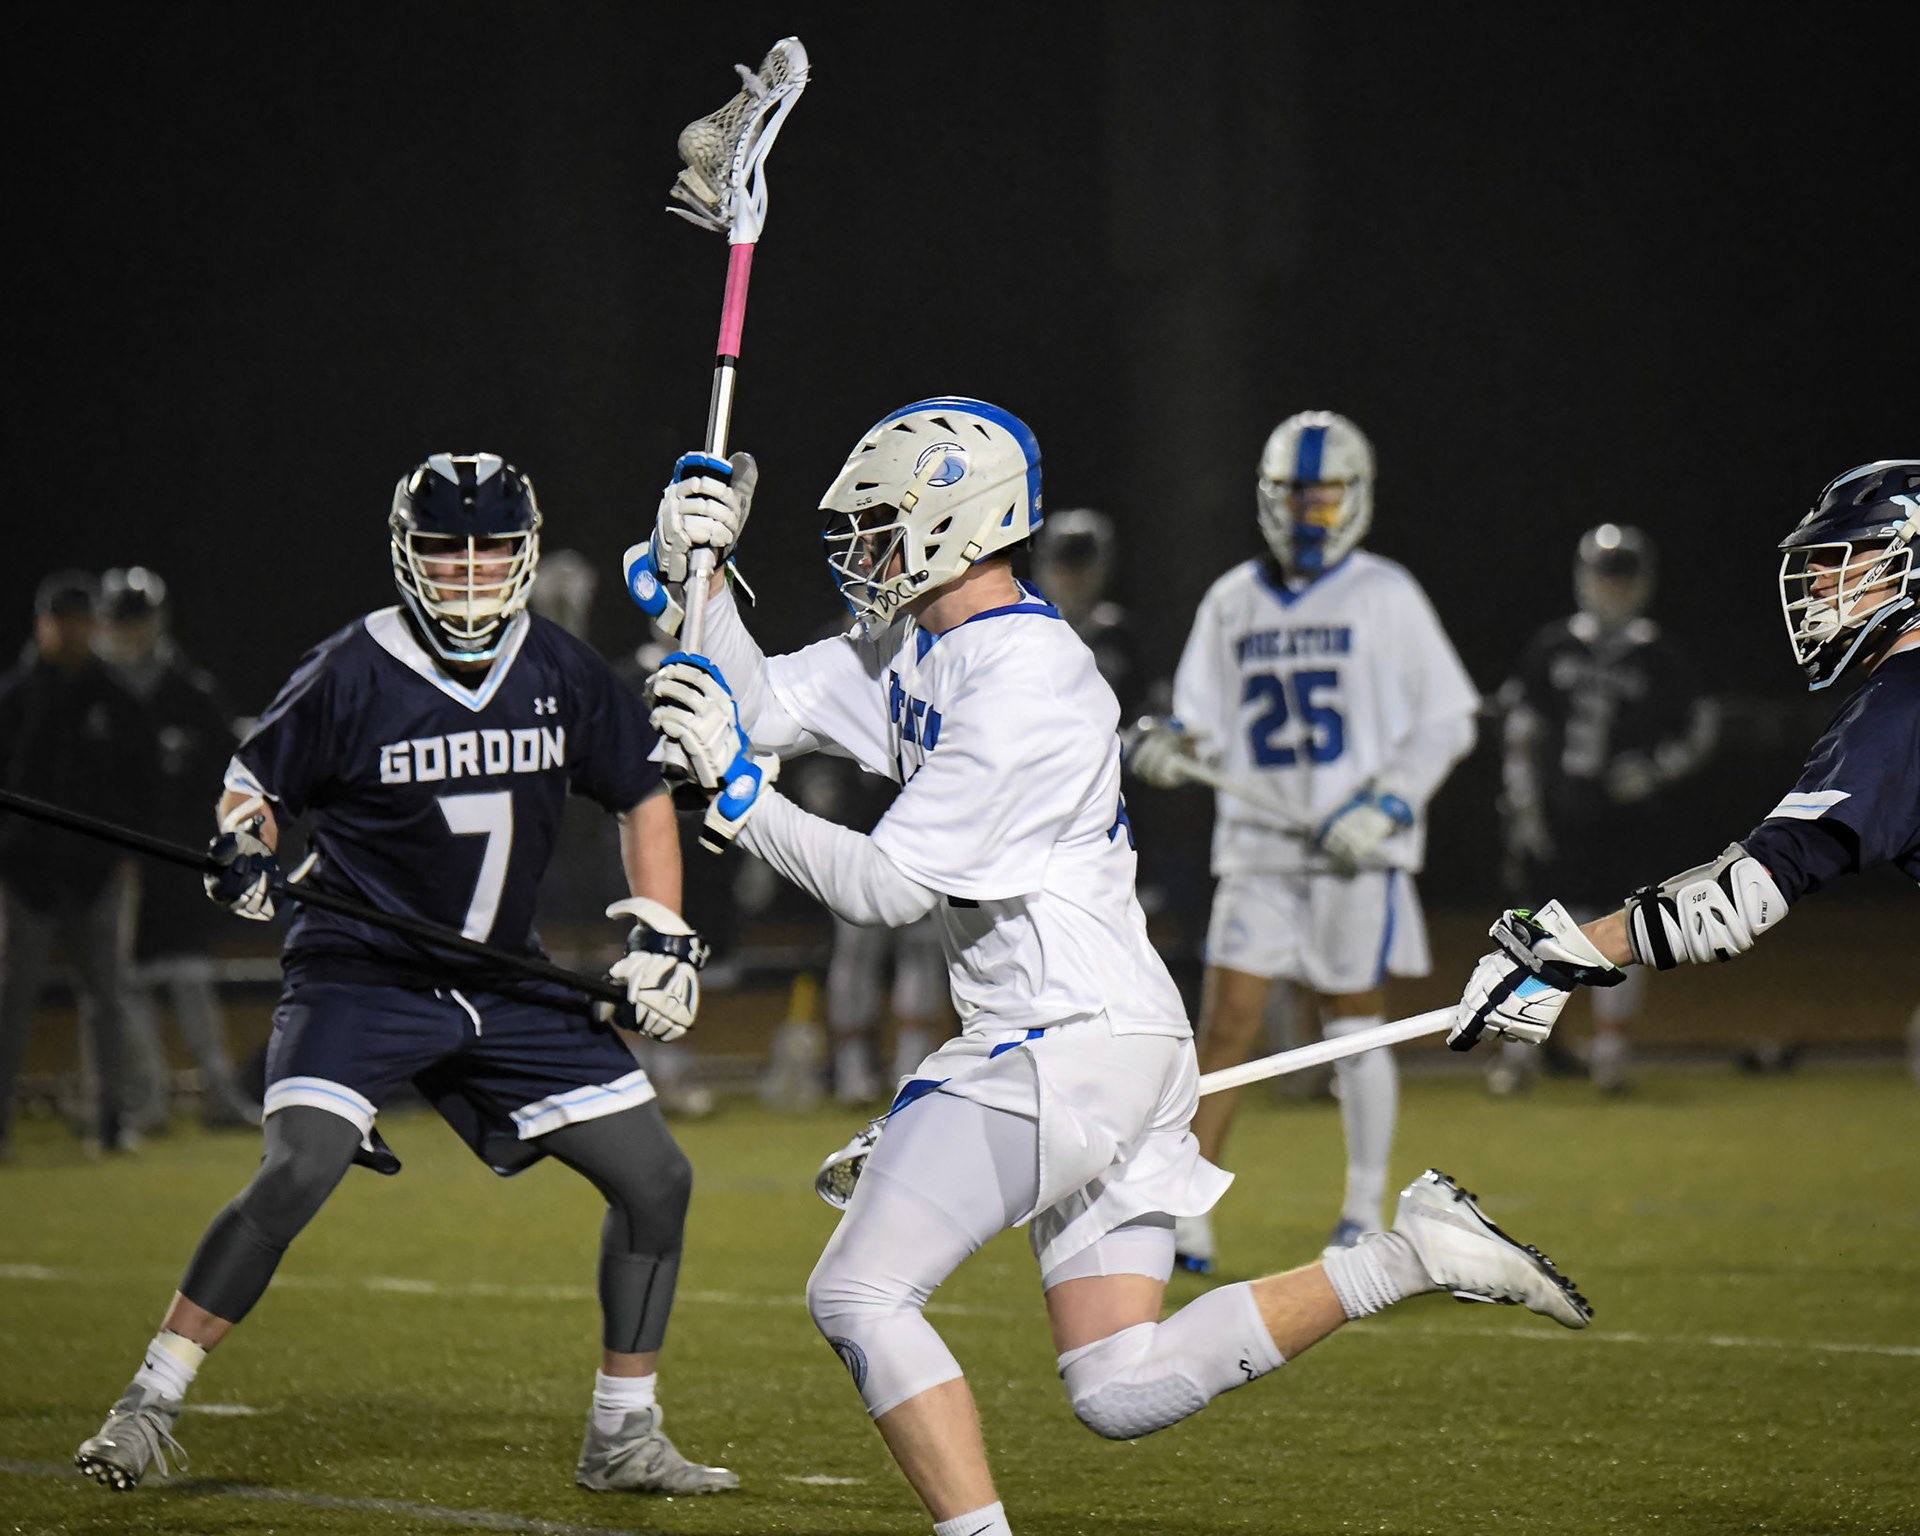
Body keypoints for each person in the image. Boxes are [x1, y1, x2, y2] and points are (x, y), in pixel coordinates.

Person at [630, 398, 1589, 1536]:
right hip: (1114, 1039)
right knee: (1121, 1384)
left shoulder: (1028, 679)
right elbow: (749, 702)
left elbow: (883, 887)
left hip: (1061, 1040)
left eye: (885, 527)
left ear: (958, 524)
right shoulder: (919, 642)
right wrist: (690, 577)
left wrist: (741, 800)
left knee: (857, 1292)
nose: (862, 554)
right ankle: (1409, 1255)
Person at [74, 454, 734, 1499]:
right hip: (362, 972)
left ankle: (623, 1434)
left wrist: (661, 934)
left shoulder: (559, 668)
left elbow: (642, 793)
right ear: (404, 552)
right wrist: (246, 846)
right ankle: (148, 1403)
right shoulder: (351, 668)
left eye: (490, 550)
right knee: (299, 1168)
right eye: (445, 549)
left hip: (502, 979)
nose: (470, 572)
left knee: (656, 1180)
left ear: (524, 552)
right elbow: (257, 784)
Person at [1124, 412, 1478, 1272]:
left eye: (1323, 493)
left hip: (1351, 847)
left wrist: (1390, 806)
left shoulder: (1384, 592)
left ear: (1354, 496)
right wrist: (1170, 743)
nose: (1308, 511)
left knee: (1353, 1021)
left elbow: (1450, 718)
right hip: (1259, 843)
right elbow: (1200, 721)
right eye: (1293, 492)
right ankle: (1189, 1210)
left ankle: (1363, 1207)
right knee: (1227, 1024)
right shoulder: (1232, 599)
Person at [1451, 461, 1919, 1081]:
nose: (1814, 578)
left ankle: (1606, 1051)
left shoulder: (1902, 705)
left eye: (1846, 556)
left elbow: (1749, 892)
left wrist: (1566, 953)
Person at [1490, 526, 1717, 1093]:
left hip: (1626, 818)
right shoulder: (1552, 647)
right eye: (1603, 577)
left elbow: (1700, 725)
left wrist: (1656, 769)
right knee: (1540, 932)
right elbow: (1521, 730)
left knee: (1624, 930)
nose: (1611, 591)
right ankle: (1520, 1050)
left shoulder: (1657, 653)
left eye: (1621, 579)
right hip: (1560, 812)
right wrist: (1522, 803)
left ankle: (1611, 1049)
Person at [95, 566, 260, 1129]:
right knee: (127, 983)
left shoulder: (187, 690)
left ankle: (217, 1091)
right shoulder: (92, 691)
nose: (131, 633)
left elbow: (228, 766)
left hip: (179, 857)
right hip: (115, 864)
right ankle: (147, 1100)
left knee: (190, 975)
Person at [0, 571, 157, 1157]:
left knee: (108, 1002)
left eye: (83, 621)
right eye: (64, 621)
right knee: (13, 1001)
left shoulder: (114, 698)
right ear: (45, 625)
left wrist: (129, 854)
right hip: (27, 873)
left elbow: (141, 784)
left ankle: (112, 1123)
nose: (74, 632)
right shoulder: (18, 696)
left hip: (98, 873)